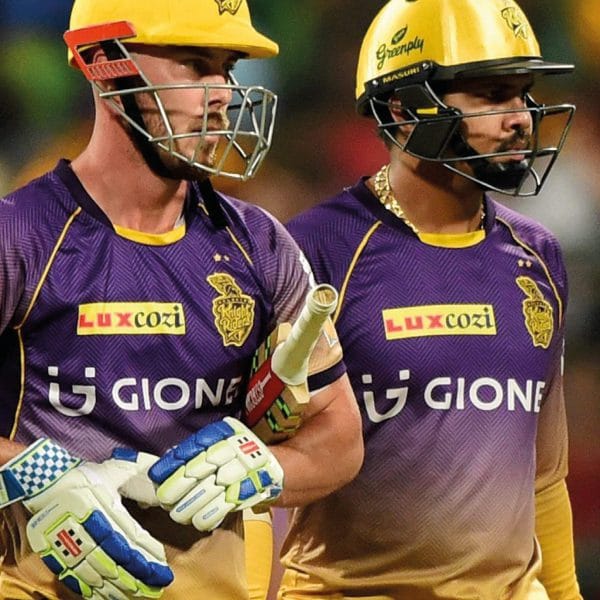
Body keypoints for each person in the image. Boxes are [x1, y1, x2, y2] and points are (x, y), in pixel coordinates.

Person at [0, 1, 363, 599]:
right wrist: (33, 474)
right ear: (104, 65)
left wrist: (270, 468)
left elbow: (340, 437)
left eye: (228, 68)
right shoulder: (19, 235)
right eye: (196, 65)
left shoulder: (262, 245)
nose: (222, 93)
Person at [280, 0, 582, 598]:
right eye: (492, 96)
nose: (521, 117)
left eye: (522, 95)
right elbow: (258, 464)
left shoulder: (538, 256)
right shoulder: (315, 251)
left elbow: (544, 474)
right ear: (404, 108)